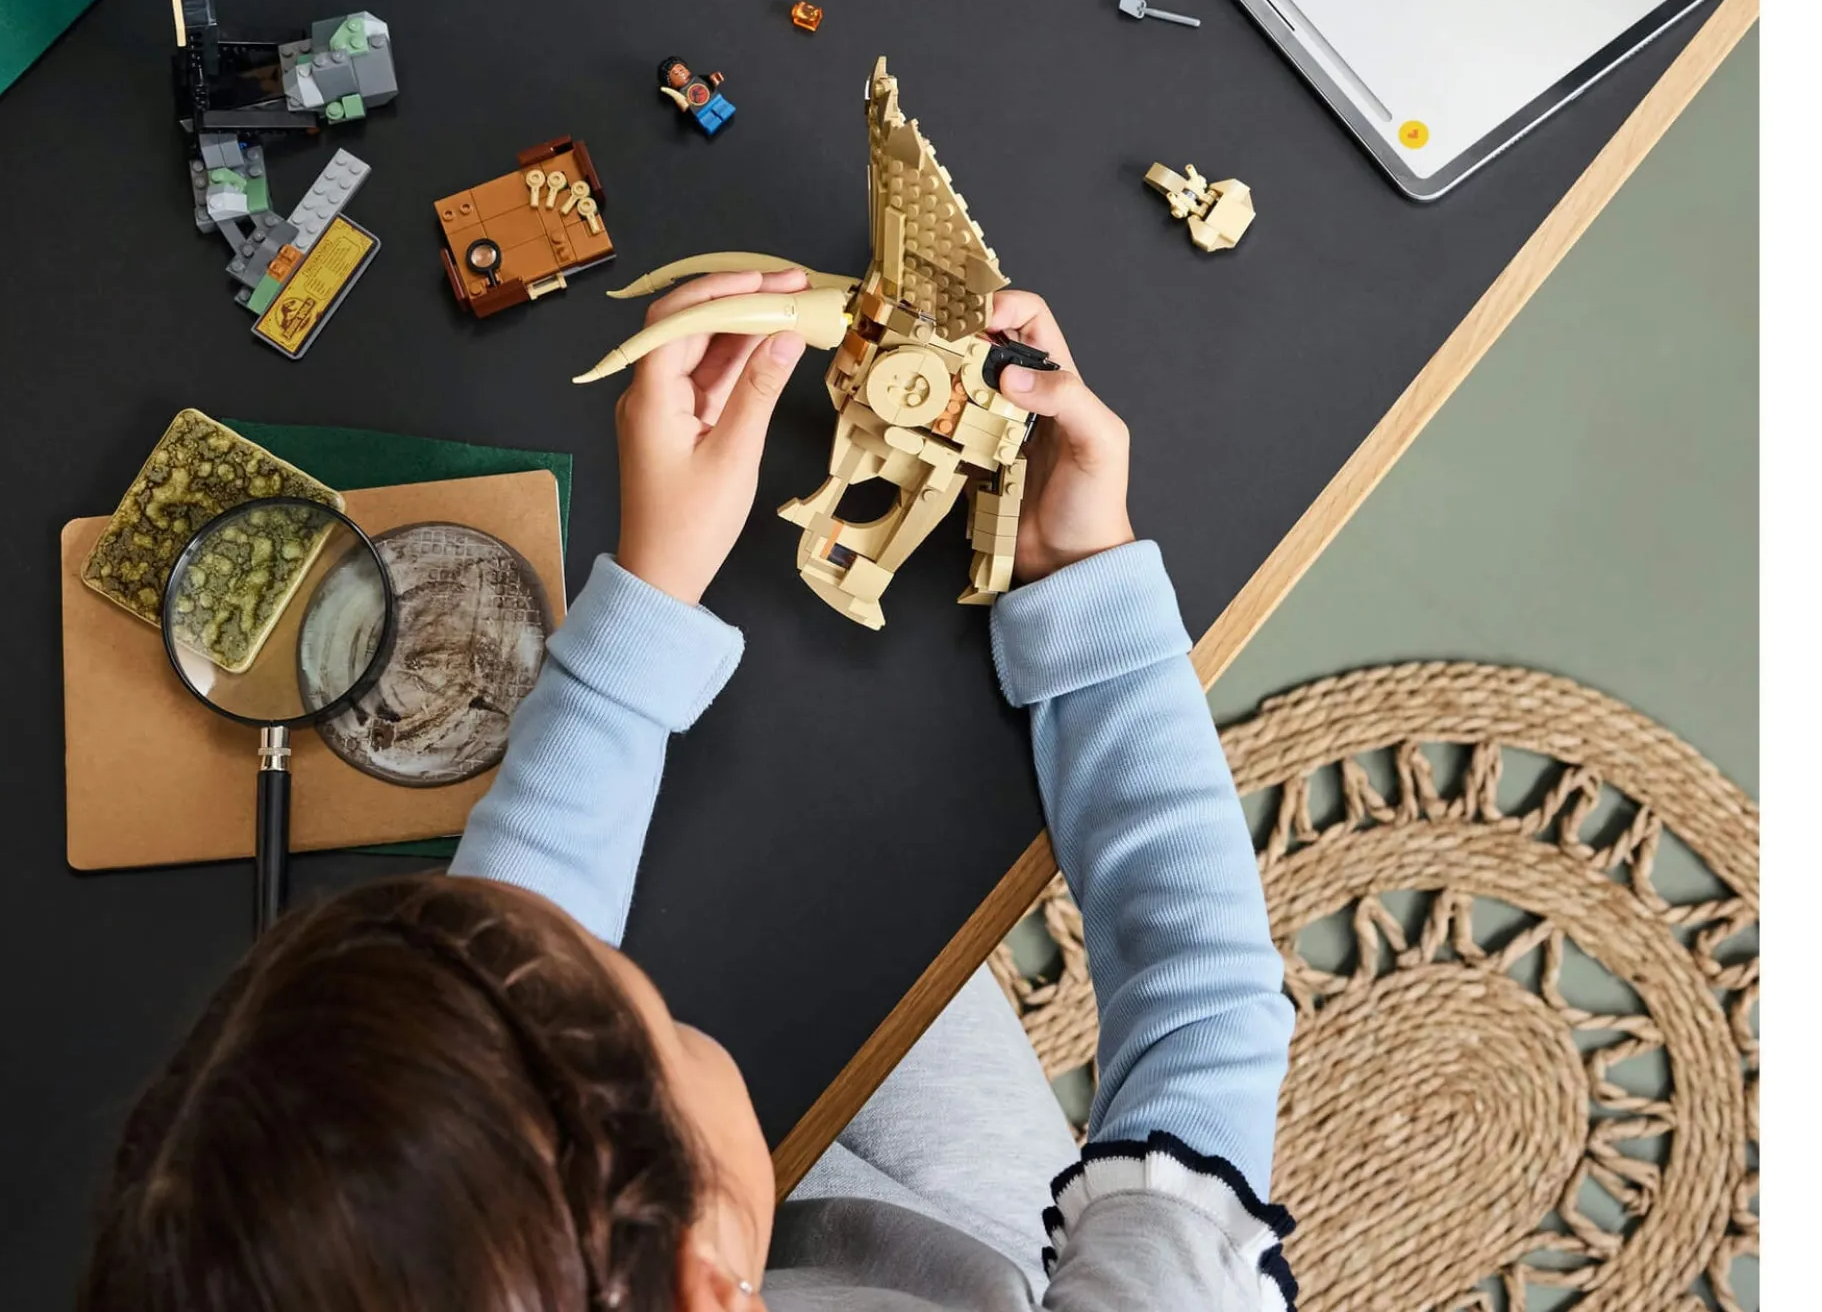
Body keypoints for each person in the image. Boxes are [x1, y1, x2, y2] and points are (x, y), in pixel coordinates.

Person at [81, 270, 1297, 1311]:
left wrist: (652, 595)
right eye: (648, 1025)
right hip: (977, 1249)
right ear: (708, 1278)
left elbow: (510, 960)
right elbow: (1205, 1001)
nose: (563, 950)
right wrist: (1090, 592)